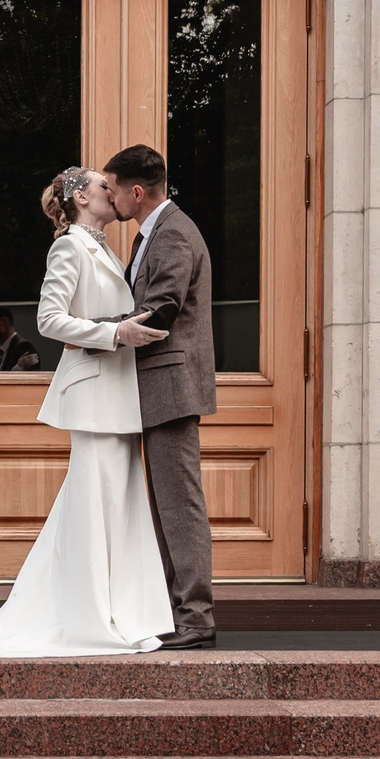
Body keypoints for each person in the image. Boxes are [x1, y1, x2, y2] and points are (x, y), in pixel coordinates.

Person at [0, 168, 173, 657]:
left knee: (114, 506)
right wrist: (115, 334)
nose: (113, 190)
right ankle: (89, 617)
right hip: (94, 397)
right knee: (94, 505)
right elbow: (49, 319)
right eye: (102, 185)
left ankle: (120, 612)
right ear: (81, 197)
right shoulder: (69, 246)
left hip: (120, 397)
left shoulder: (107, 248)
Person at [102, 143, 219, 650]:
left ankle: (196, 619)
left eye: (111, 188)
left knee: (179, 505)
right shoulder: (155, 233)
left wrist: (90, 330)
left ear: (135, 191)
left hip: (171, 386)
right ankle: (180, 614)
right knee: (166, 506)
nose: (108, 198)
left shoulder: (173, 232)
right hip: (157, 388)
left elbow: (162, 310)